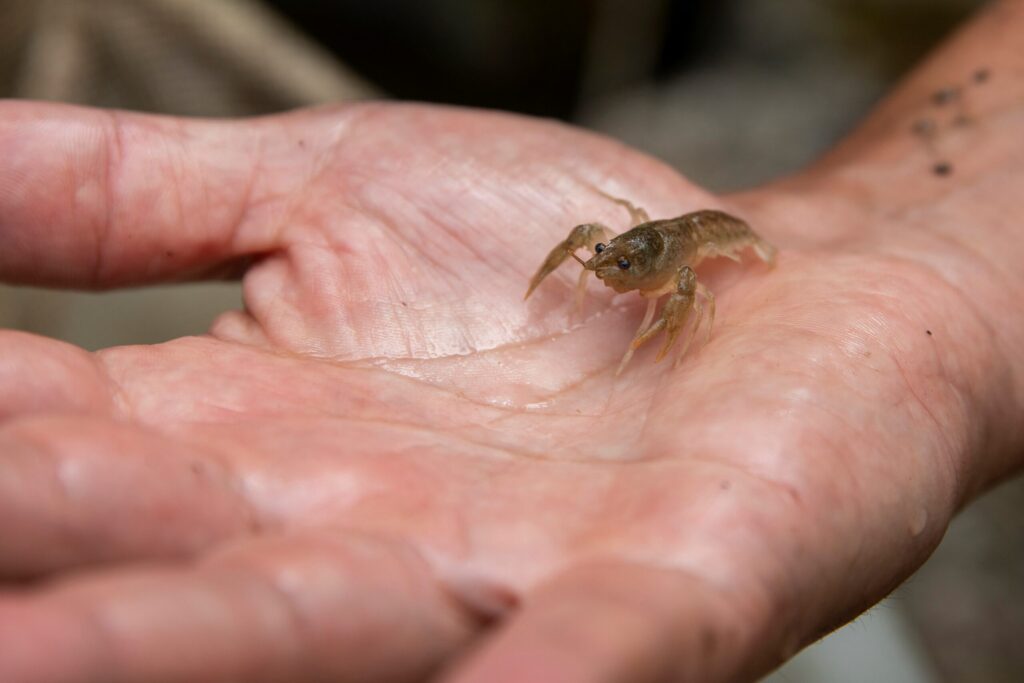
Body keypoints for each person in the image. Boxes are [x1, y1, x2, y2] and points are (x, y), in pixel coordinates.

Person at [0, 1, 1022, 681]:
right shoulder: (613, 246)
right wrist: (873, 217)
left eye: (622, 261)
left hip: (725, 236)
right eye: (611, 257)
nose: (608, 265)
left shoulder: (686, 258)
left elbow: (685, 299)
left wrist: (869, 250)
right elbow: (603, 238)